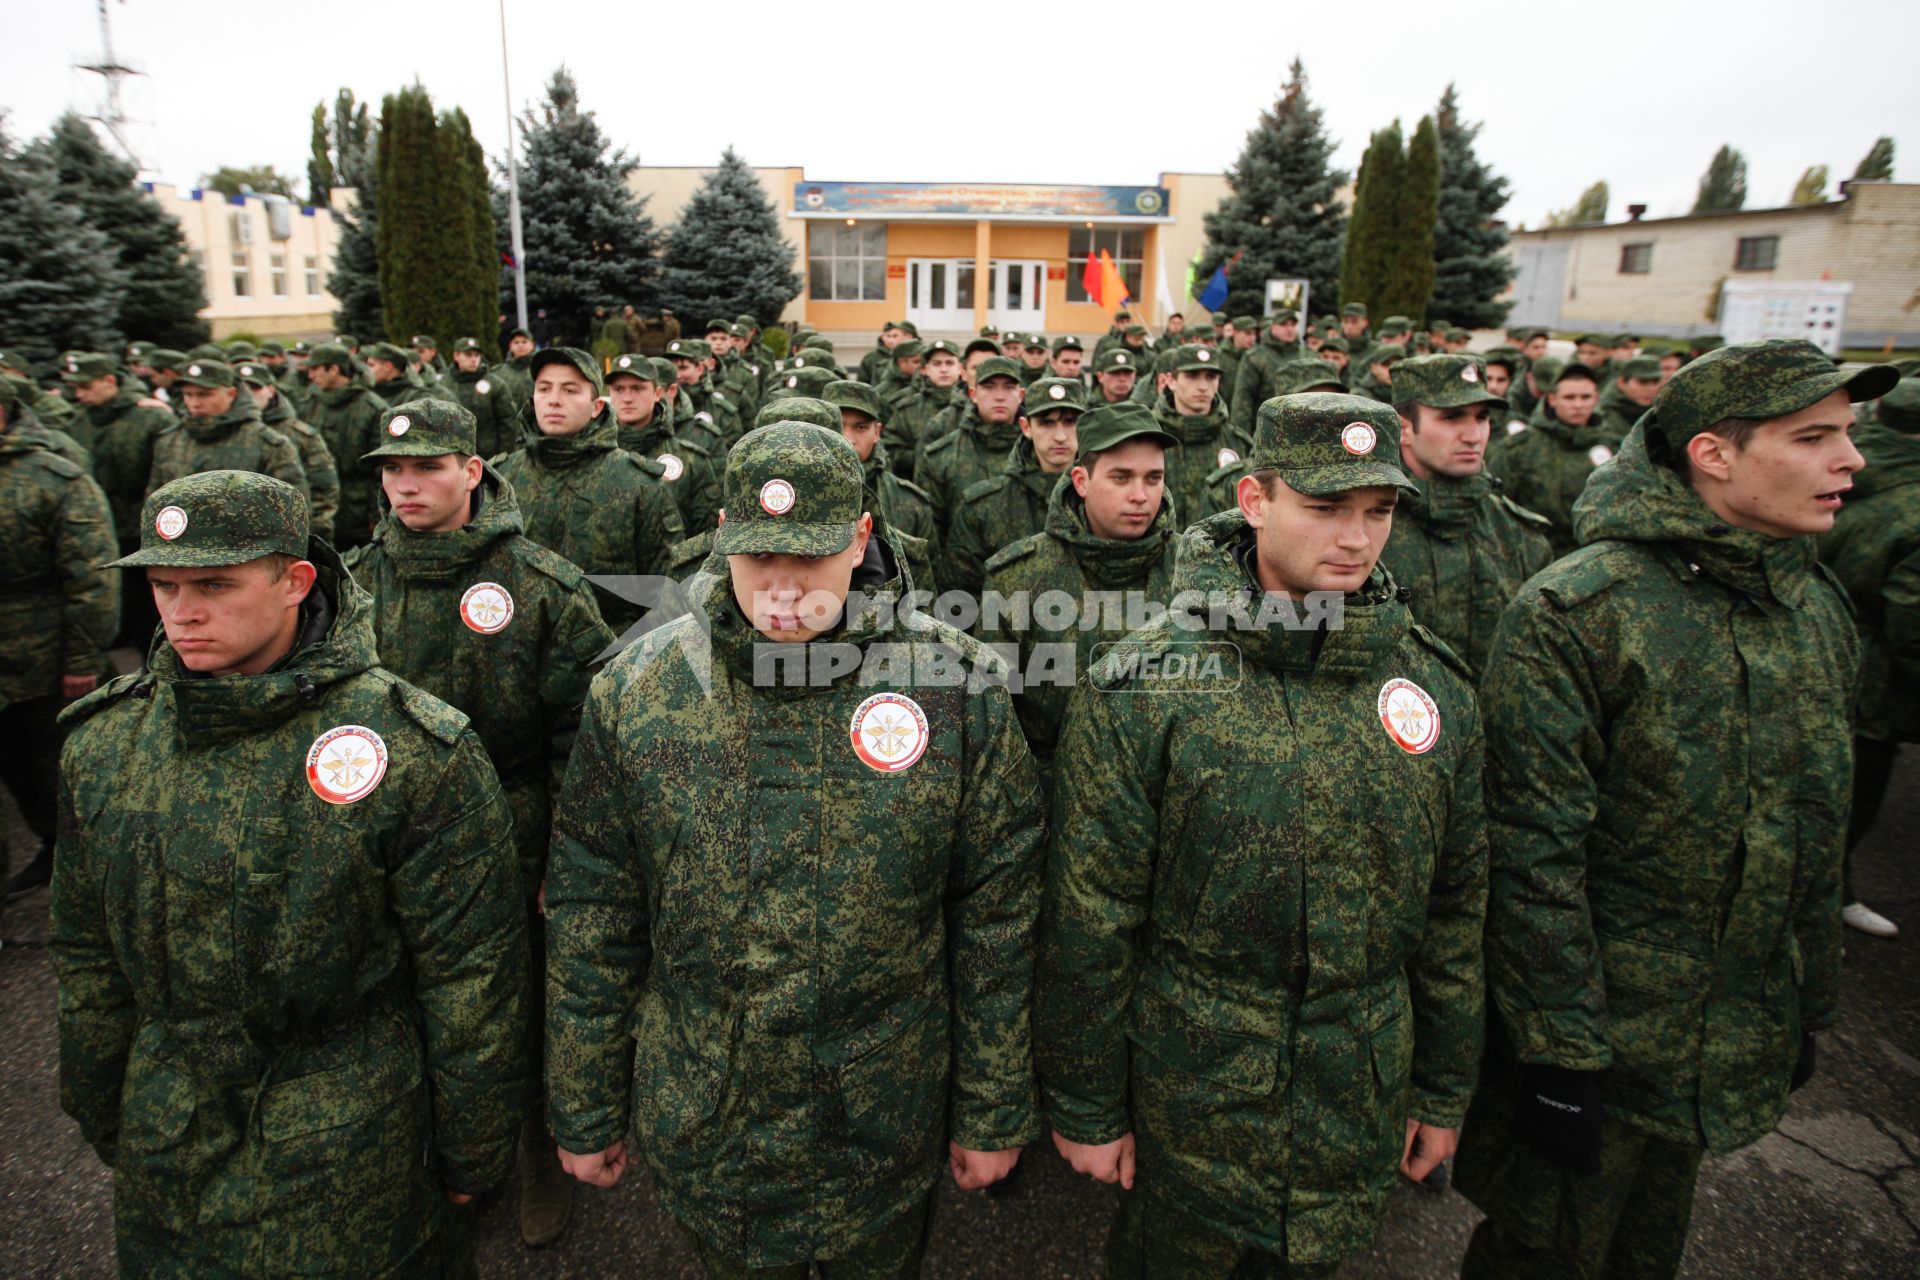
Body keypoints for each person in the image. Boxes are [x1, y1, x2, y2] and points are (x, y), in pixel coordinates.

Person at [545, 422, 1043, 1277]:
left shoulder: (955, 685)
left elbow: (998, 915)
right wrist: (585, 1102)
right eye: (757, 561)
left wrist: (992, 1110)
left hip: (882, 1116)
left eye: (808, 563)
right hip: (709, 1116)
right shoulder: (640, 689)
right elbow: (595, 908)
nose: (781, 593)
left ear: (860, 539)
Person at [1454, 340, 1894, 1280]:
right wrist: (1559, 1054)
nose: (1849, 461)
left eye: (1847, 436)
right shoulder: (1581, 613)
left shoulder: (1812, 609)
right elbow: (1530, 854)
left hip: (1726, 1030)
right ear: (1713, 454)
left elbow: (1815, 829)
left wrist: (1805, 999)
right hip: (1603, 1046)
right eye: (1813, 437)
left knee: (1647, 1253)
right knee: (1546, 1253)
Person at [1040, 392, 1486, 1278]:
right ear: (1255, 502)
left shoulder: (1433, 687)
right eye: (1325, 509)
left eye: (1379, 511)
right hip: (1191, 1091)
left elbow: (1456, 911)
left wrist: (1441, 1086)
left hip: (1353, 1091)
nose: (1356, 538)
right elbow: (1093, 916)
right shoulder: (1148, 683)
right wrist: (1089, 1104)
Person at [49, 470, 529, 1276]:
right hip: (170, 1137)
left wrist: (472, 1153)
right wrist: (107, 1108)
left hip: (354, 1147)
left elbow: (472, 977)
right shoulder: (106, 743)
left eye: (215, 584)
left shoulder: (409, 749)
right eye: (164, 586)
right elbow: (87, 953)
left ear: (294, 582)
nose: (182, 612)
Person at [346, 397, 615, 1246]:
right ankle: (435, 1157)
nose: (406, 485)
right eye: (392, 469)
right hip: (378, 827)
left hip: (509, 817)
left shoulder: (536, 585)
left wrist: (565, 856)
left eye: (426, 466)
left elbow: (585, 733)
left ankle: (536, 1153)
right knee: (397, 995)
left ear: (472, 470)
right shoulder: (357, 582)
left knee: (517, 999)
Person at [979, 401, 1179, 773]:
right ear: (1082, 482)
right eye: (1121, 477)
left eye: (1153, 478)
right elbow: (992, 717)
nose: (1140, 495)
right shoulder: (1017, 578)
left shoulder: (1192, 570)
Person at [0, 375, 118, 902]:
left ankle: (94, 876)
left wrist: (83, 656)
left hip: (43, 654)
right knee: (16, 776)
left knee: (59, 770)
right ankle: (48, 853)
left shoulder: (54, 475)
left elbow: (92, 574)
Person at [1817, 375, 1920, 938]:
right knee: (1851, 793)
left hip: (1828, 643)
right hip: (1872, 672)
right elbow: (1912, 612)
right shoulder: (1905, 496)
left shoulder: (1842, 467)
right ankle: (1828, 898)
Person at [491, 347, 686, 636]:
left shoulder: (637, 484)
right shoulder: (503, 477)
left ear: (596, 406)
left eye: (570, 390)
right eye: (544, 389)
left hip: (608, 658)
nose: (554, 400)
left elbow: (668, 592)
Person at [1380, 355, 1552, 679]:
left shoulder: (1518, 534)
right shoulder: (1365, 527)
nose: (1473, 436)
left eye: (1482, 417)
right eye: (1452, 418)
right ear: (1404, 429)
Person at [944, 376, 1084, 598]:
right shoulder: (985, 506)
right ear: (1026, 427)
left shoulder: (1108, 500)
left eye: (1070, 422)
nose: (1060, 436)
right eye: (1046, 423)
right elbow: (960, 597)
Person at [1493, 363, 1612, 556]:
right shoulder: (1519, 448)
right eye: (1569, 397)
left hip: (1592, 557)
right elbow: (1496, 510)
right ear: (1552, 399)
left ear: (1596, 399)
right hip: (1532, 555)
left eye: (1586, 397)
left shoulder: (1615, 448)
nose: (1578, 405)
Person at [144, 359, 306, 499]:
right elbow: (156, 500)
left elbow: (292, 510)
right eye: (188, 395)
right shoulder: (170, 442)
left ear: (231, 393)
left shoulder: (268, 444)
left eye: (204, 394)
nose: (195, 402)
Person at [607, 352, 722, 537]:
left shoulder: (691, 460)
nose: (627, 398)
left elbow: (708, 536)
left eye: (637, 388)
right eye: (619, 389)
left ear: (657, 393)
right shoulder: (591, 457)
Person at [918, 355, 1028, 542]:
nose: (1000, 396)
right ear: (973, 394)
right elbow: (931, 535)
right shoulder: (942, 457)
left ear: (1021, 395)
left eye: (1009, 387)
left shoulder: (1039, 453)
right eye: (989, 387)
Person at [823, 379, 937, 553]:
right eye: (837, 427)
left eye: (860, 428)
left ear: (877, 432)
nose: (848, 439)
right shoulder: (789, 494)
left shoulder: (911, 505)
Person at [236, 360, 340, 544]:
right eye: (243, 390)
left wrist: (309, 533)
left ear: (270, 390)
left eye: (255, 389)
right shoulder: (230, 434)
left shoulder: (300, 434)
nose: (249, 396)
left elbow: (324, 488)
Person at [303, 341, 388, 549]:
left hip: (356, 515)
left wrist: (377, 514)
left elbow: (382, 467)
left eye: (315, 369)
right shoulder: (310, 404)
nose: (310, 376)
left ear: (333, 369)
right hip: (317, 511)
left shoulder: (372, 408)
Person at [1152, 344, 1235, 525]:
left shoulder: (1236, 442)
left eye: (1211, 377)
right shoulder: (1150, 439)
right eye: (1192, 376)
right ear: (1171, 381)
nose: (1203, 387)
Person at [1596, 354, 1663, 435]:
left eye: (1655, 382)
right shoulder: (1602, 416)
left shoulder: (1662, 412)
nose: (1650, 389)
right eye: (1643, 382)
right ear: (1622, 383)